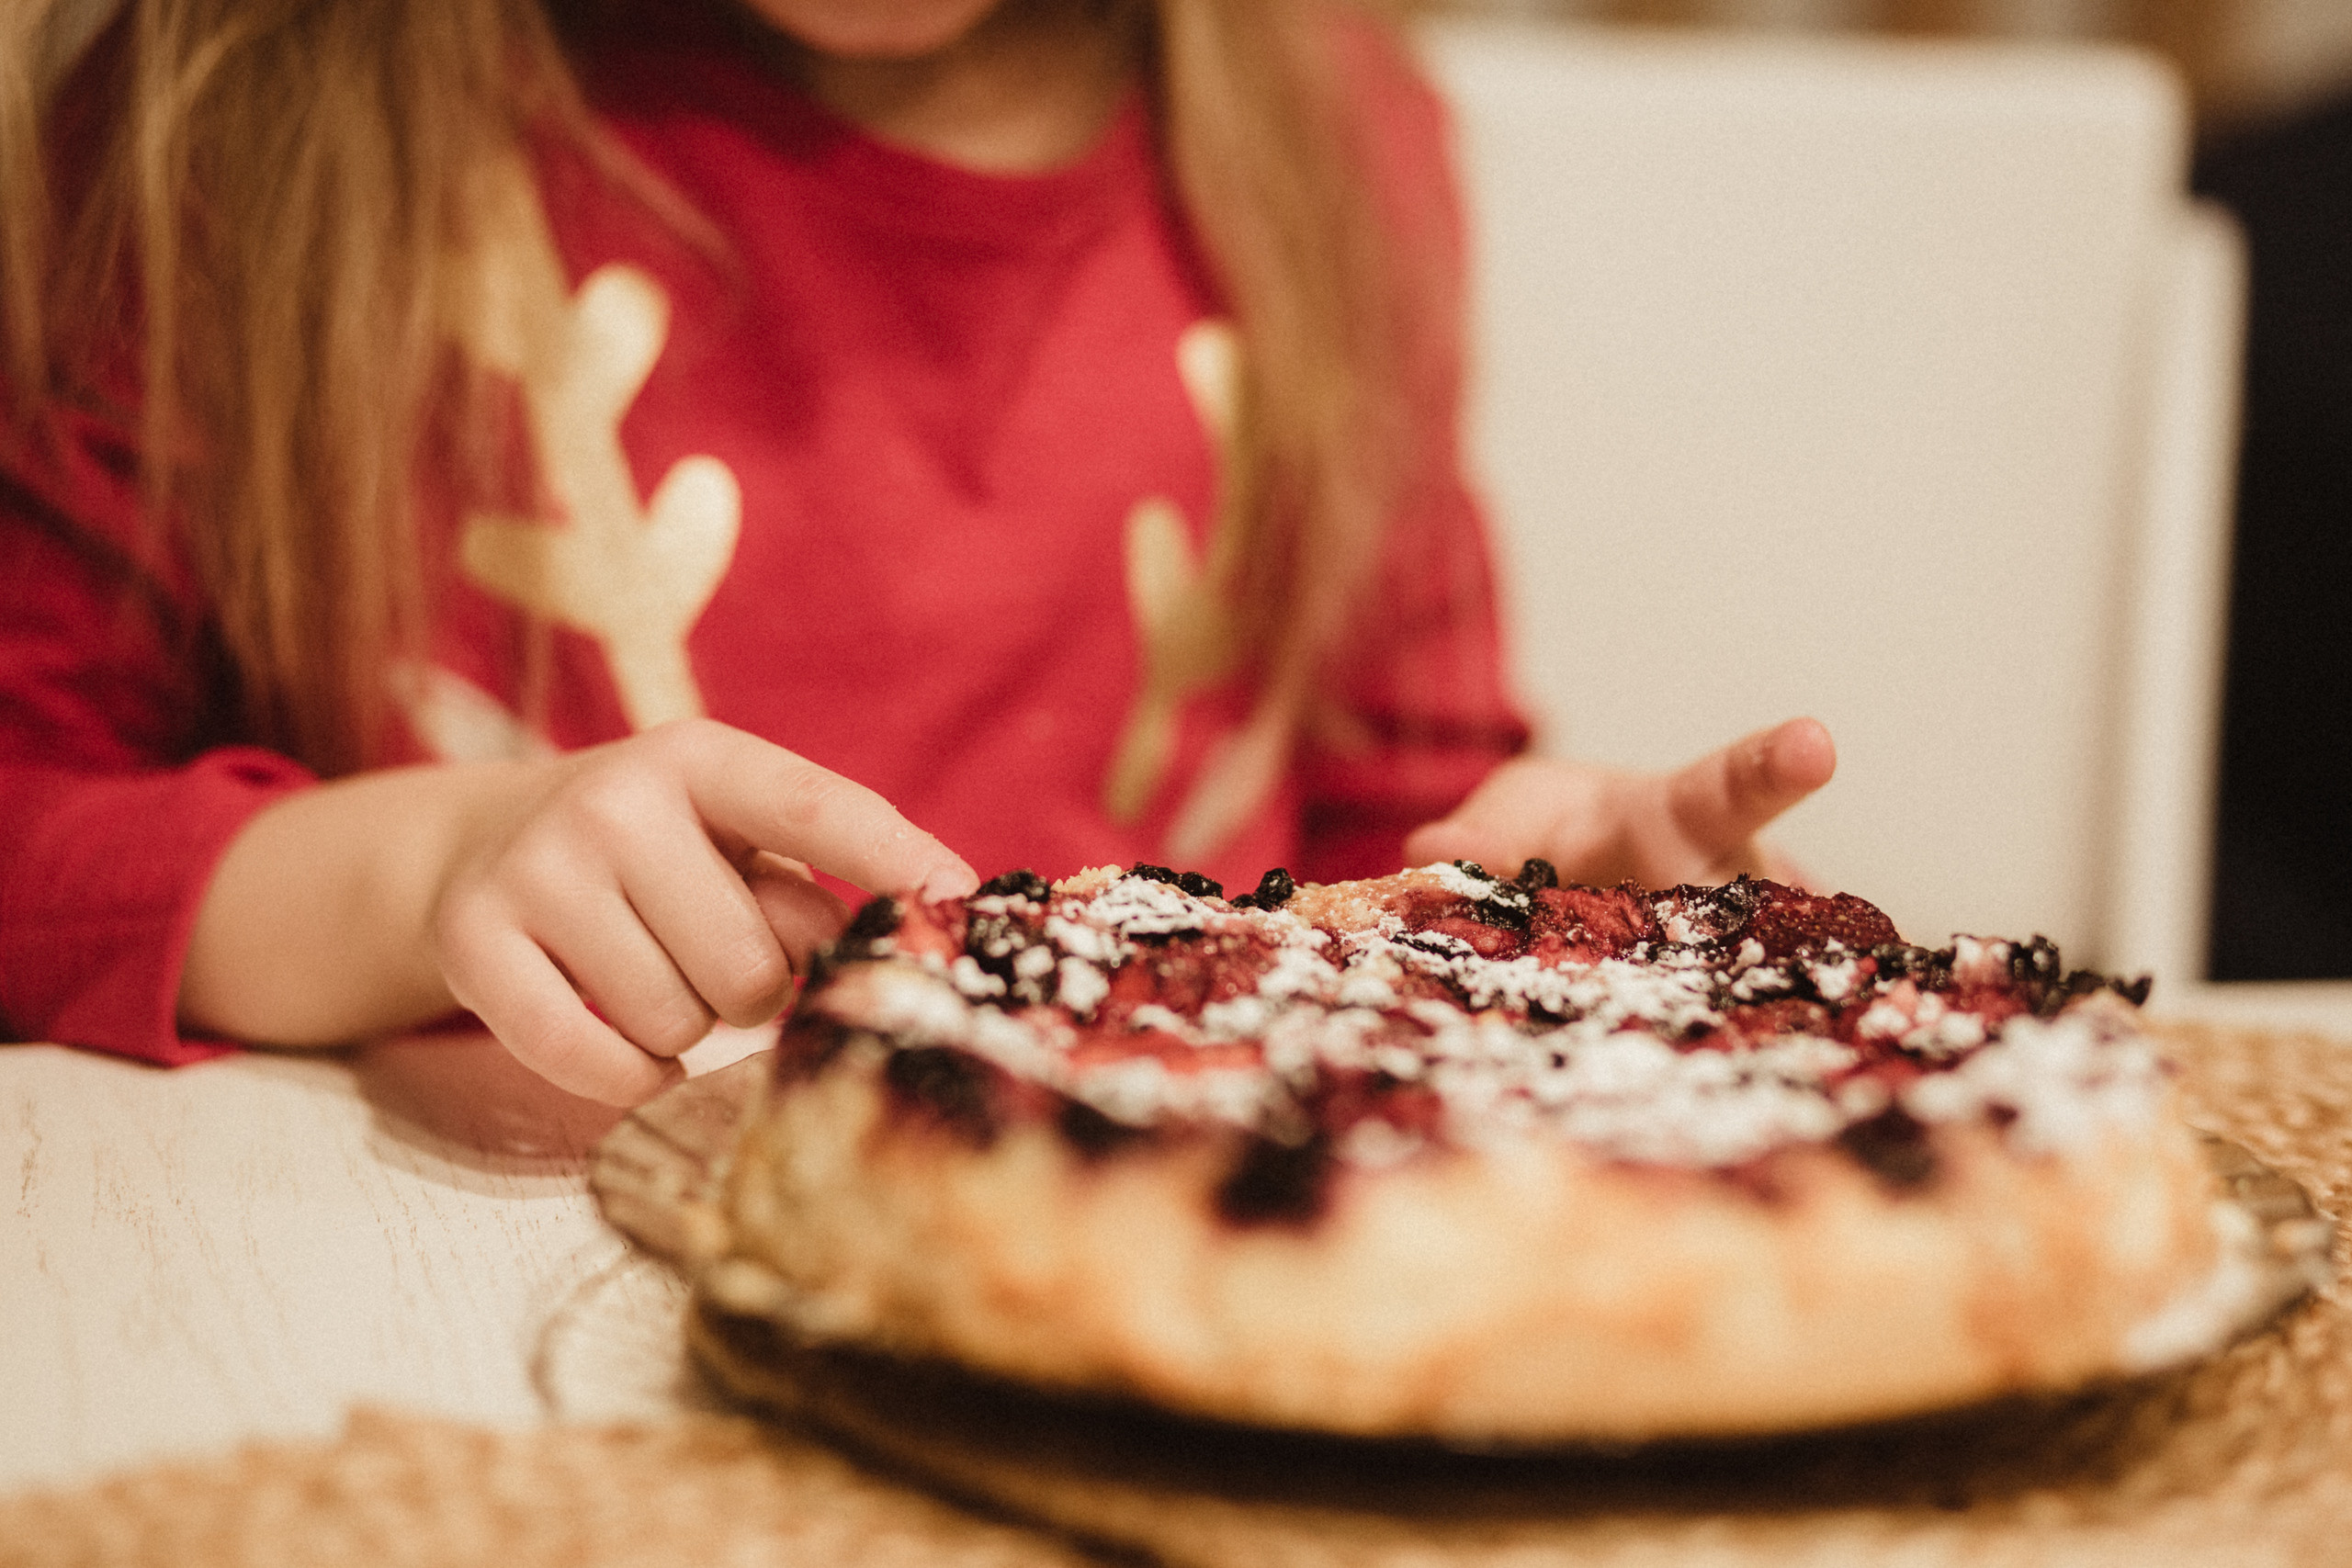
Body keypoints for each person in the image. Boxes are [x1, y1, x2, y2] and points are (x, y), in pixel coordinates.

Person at [0, 0, 1836, 1107]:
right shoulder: (222, 125)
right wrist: (420, 873)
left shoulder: (1330, 134)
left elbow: (1383, 816)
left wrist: (1505, 906)